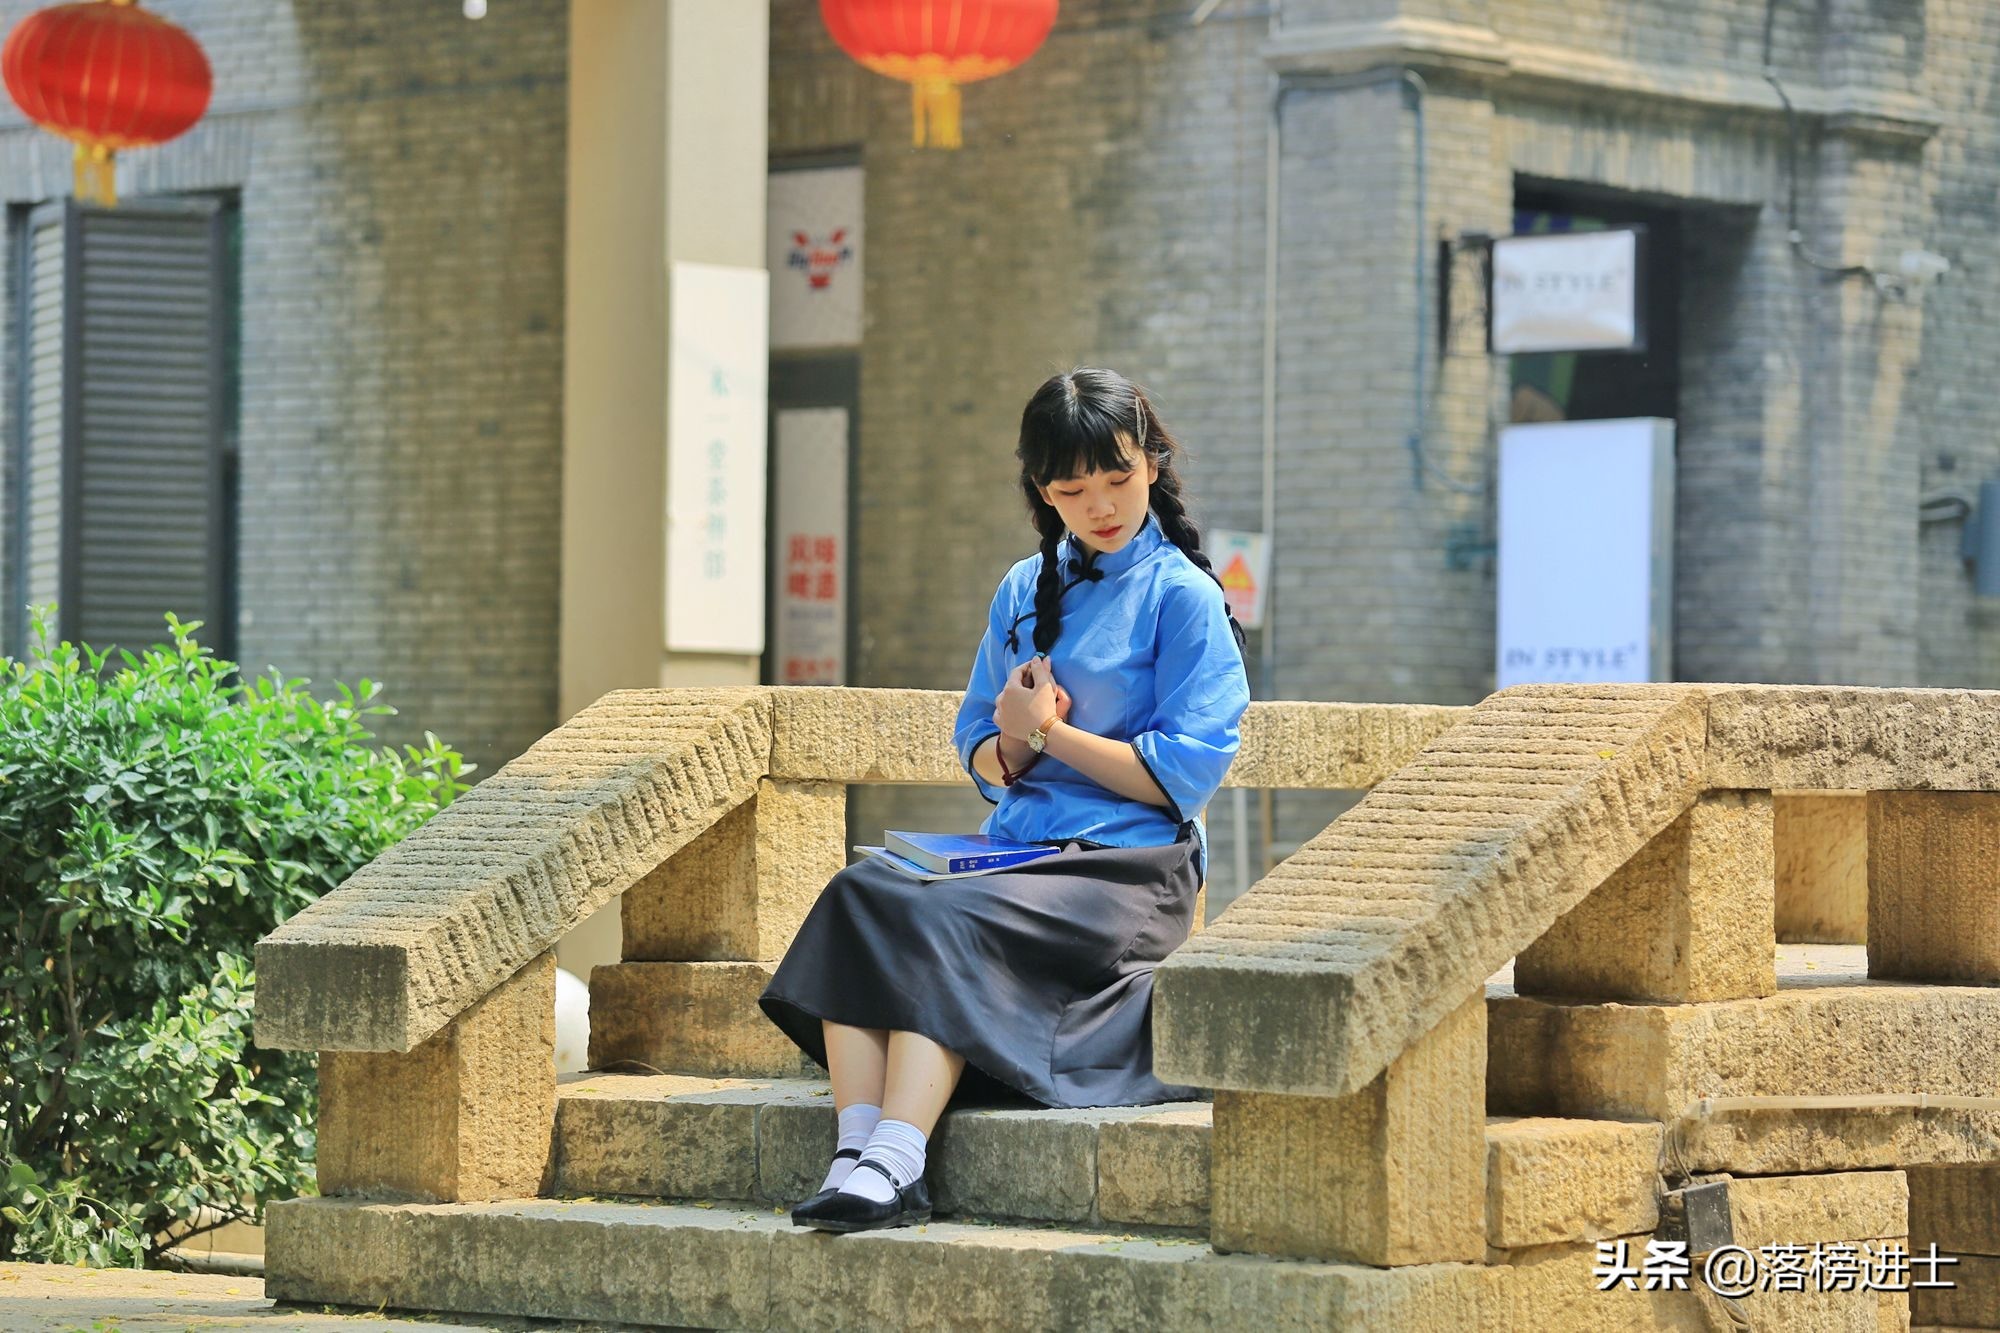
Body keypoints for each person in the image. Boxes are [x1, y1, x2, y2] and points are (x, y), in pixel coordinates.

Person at [757, 367, 1251, 1234]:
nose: (1100, 503)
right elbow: (979, 751)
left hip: (1127, 870)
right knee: (862, 891)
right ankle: (856, 1145)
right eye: (1073, 487)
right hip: (1018, 853)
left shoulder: (1186, 596)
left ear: (1152, 463)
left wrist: (1052, 736)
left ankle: (900, 1161)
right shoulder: (1023, 589)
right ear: (1041, 489)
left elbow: (1181, 776)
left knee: (946, 917)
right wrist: (1017, 737)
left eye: (1119, 478)